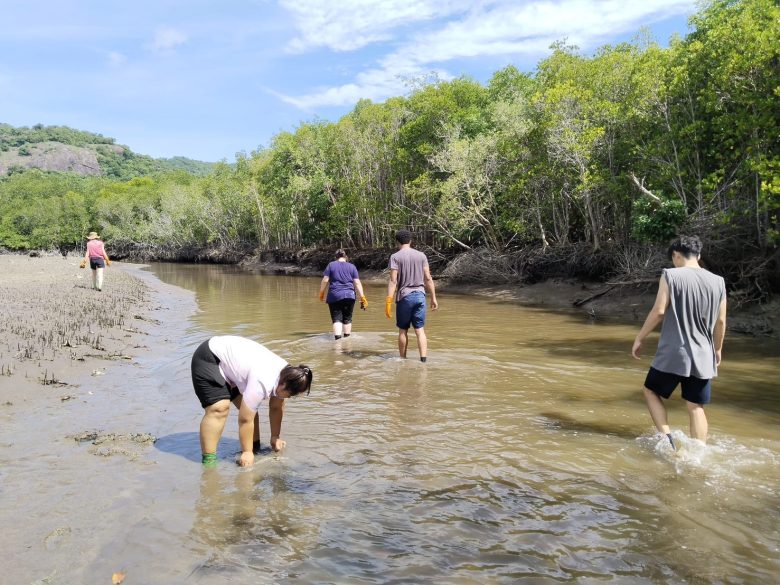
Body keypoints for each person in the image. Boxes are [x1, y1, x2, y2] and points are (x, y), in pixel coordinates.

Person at [632, 235, 727, 447]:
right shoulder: (718, 282)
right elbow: (721, 322)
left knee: (650, 390)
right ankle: (699, 453)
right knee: (696, 406)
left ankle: (667, 441)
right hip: (704, 353)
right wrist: (718, 349)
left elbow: (658, 311)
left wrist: (640, 338)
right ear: (698, 255)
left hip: (675, 352)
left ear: (676, 255)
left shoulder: (670, 275)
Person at [191, 335, 313, 467]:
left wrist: (275, 436)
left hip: (234, 367)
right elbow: (245, 419)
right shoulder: (263, 380)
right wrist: (246, 452)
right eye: (291, 394)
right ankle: (209, 463)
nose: (290, 397)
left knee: (251, 410)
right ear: (283, 384)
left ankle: (255, 448)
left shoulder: (289, 375)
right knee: (220, 408)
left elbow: (276, 407)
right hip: (210, 357)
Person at [386, 229, 438, 362]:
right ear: (410, 240)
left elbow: (393, 281)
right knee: (420, 330)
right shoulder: (421, 256)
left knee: (403, 330)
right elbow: (428, 278)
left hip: (405, 297)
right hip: (420, 296)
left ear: (397, 241)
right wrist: (433, 297)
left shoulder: (395, 257)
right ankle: (423, 360)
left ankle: (403, 359)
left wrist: (389, 301)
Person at [318, 249, 368, 340]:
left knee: (337, 319)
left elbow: (325, 280)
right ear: (345, 257)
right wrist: (362, 297)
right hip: (350, 295)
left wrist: (321, 292)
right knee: (347, 319)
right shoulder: (352, 267)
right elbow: (357, 282)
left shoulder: (331, 265)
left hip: (335, 295)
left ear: (336, 257)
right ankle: (347, 341)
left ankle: (338, 341)